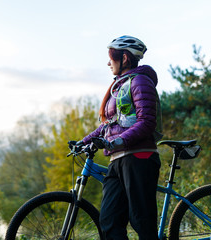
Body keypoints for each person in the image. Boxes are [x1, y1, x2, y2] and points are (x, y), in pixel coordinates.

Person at [73, 36, 161, 239]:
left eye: (111, 57)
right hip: (117, 158)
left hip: (139, 157)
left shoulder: (140, 81)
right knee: (109, 220)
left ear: (125, 58)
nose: (108, 62)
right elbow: (109, 124)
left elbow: (147, 122)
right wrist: (83, 142)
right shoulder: (119, 86)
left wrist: (120, 140)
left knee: (141, 220)